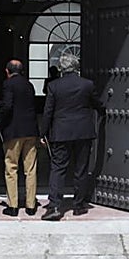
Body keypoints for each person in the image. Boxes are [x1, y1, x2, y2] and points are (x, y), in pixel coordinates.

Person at [39, 53, 99, 221]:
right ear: (76, 67)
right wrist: (103, 110)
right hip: (83, 131)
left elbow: (48, 111)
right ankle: (79, 205)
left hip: (61, 132)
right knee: (81, 168)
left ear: (61, 68)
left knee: (58, 169)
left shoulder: (54, 86)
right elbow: (96, 103)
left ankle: (55, 206)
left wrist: (43, 133)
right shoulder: (87, 84)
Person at [0, 59, 40, 217]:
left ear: (7, 71)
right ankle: (31, 206)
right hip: (30, 130)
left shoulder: (8, 84)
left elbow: (9, 105)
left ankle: (13, 205)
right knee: (30, 169)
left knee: (11, 167)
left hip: (14, 131)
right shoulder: (29, 85)